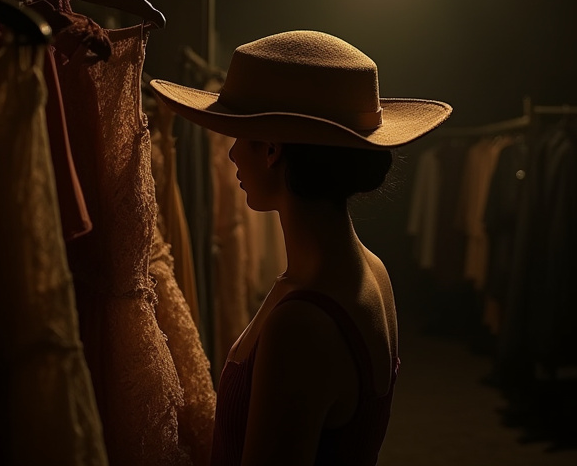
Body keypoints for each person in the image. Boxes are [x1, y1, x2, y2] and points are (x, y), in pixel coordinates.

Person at [150, 30, 452, 466]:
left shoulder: (302, 323)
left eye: (241, 136)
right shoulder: (372, 271)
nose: (232, 154)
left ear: (272, 149)